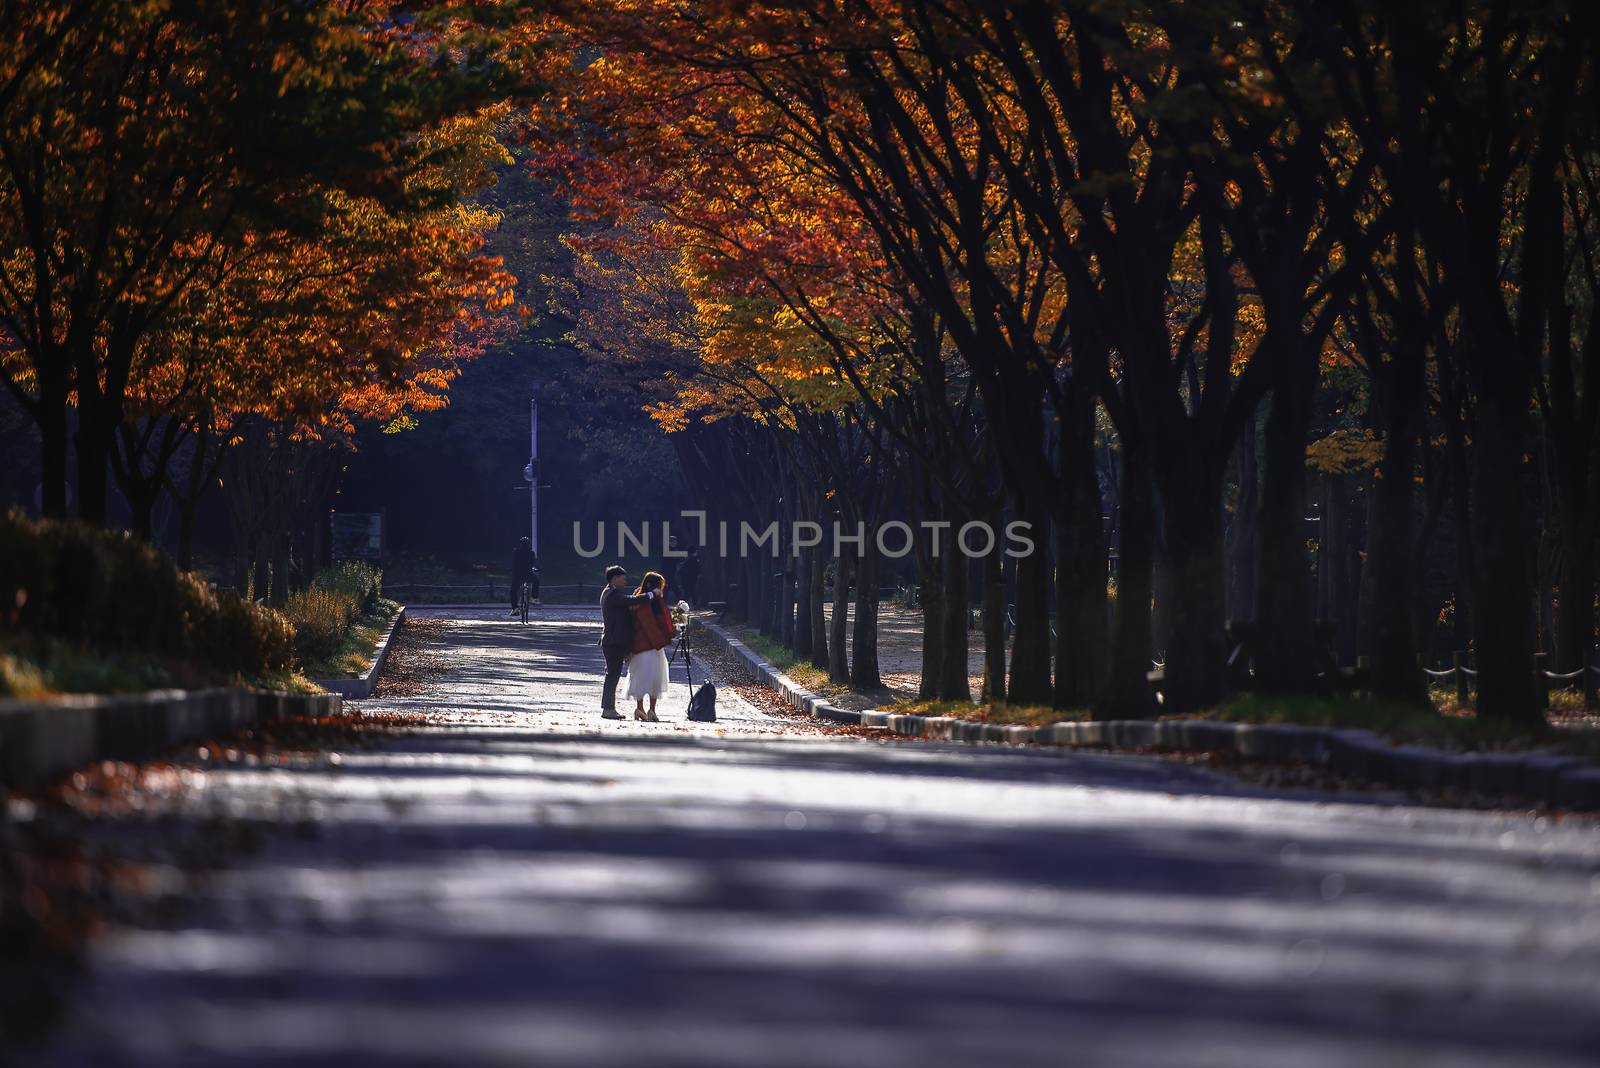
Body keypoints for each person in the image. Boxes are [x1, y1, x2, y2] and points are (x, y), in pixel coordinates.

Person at [599, 564, 652, 719]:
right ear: (615, 579)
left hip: (615, 640)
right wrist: (650, 595)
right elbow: (631, 601)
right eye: (623, 579)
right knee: (612, 675)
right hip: (614, 641)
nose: (625, 582)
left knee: (612, 674)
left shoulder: (610, 592)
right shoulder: (613, 594)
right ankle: (608, 709)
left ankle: (609, 708)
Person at [626, 571, 676, 721]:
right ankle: (651, 710)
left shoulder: (636, 598)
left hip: (638, 644)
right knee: (656, 677)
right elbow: (661, 621)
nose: (662, 589)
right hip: (653, 644)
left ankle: (639, 708)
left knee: (640, 677)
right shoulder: (654, 601)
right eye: (660, 586)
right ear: (653, 586)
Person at [508, 536, 540, 614]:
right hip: (528, 573)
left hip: (517, 574)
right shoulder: (531, 553)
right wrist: (537, 568)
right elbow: (534, 562)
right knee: (536, 581)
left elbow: (513, 562)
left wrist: (511, 569)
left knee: (513, 590)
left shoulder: (516, 551)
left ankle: (515, 608)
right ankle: (534, 598)